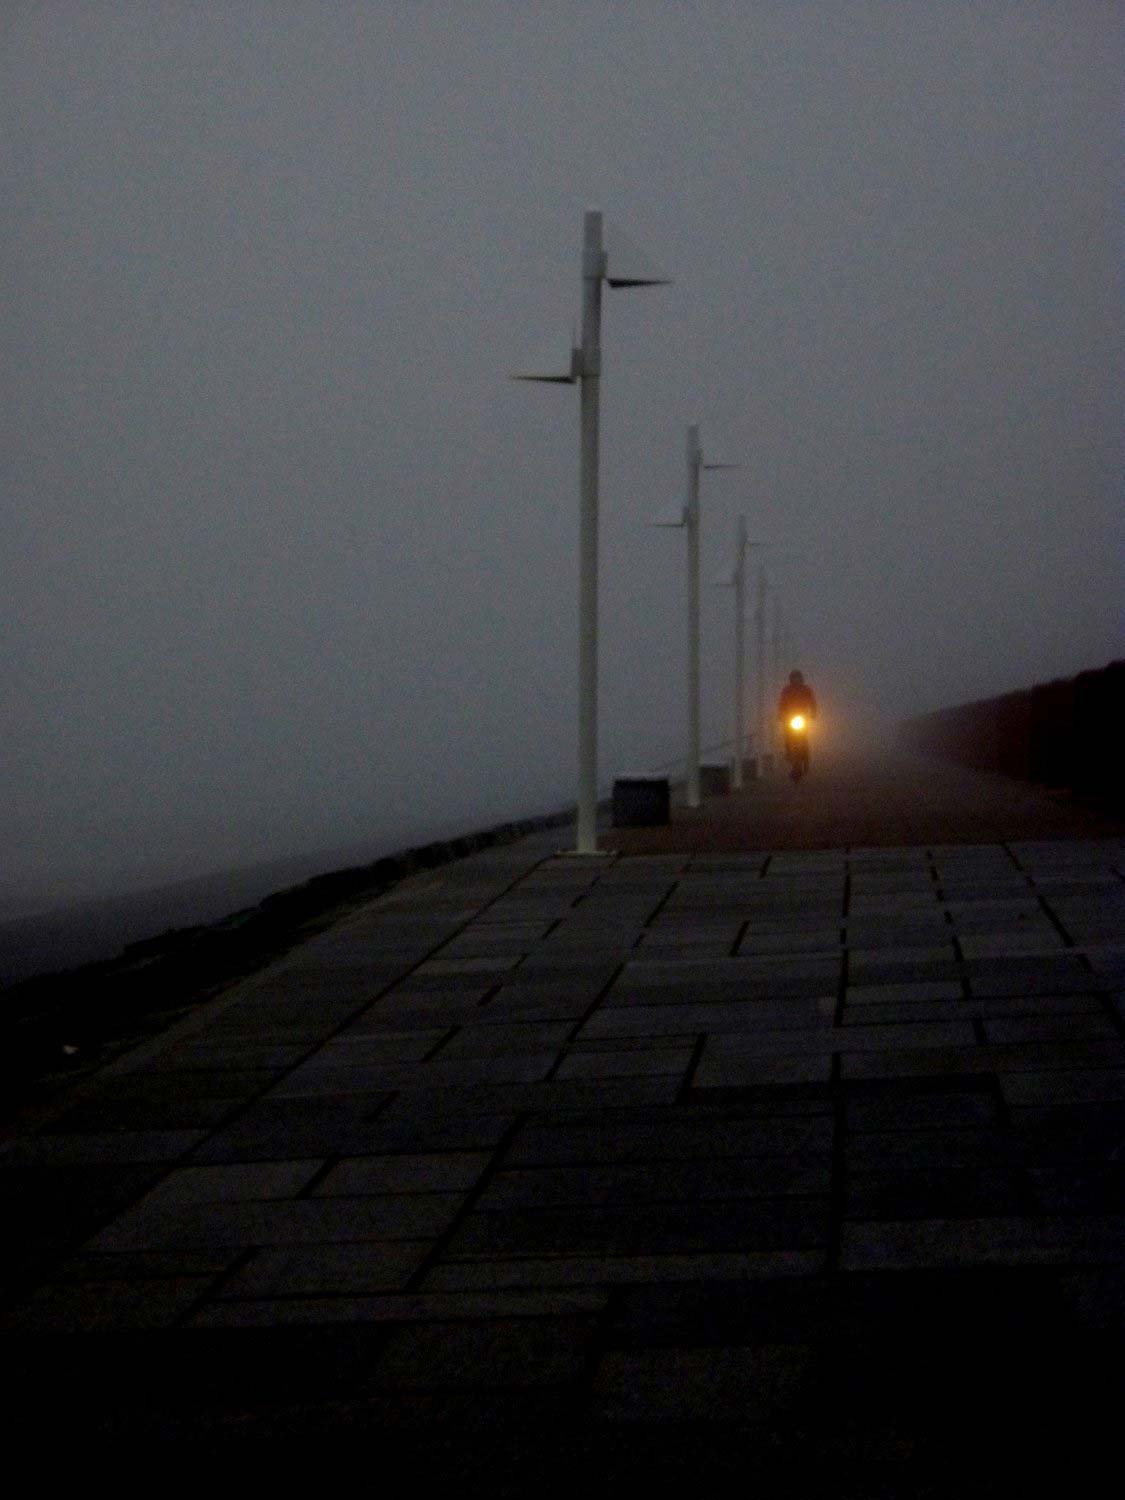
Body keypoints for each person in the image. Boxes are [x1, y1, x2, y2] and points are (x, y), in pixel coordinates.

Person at [778, 670, 817, 778]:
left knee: (803, 737)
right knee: (787, 736)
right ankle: (788, 753)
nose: (796, 680)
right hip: (790, 717)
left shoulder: (806, 689)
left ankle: (806, 756)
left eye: (797, 678)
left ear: (801, 678)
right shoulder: (786, 690)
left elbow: (812, 702)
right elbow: (781, 703)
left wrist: (813, 713)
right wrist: (781, 714)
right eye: (794, 678)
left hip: (802, 717)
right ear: (791, 679)